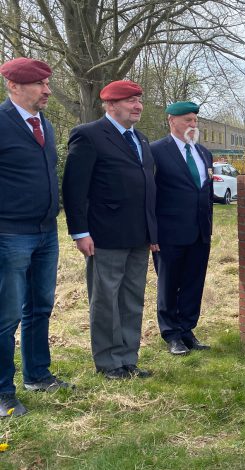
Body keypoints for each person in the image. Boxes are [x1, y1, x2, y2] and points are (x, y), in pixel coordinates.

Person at [62, 80, 158, 380]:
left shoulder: (141, 139)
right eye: (131, 101)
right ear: (111, 104)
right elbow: (74, 188)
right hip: (104, 235)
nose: (138, 106)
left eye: (139, 100)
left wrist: (153, 233)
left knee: (132, 299)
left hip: (138, 235)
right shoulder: (89, 135)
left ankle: (128, 359)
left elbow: (147, 187)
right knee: (106, 301)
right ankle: (108, 362)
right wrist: (80, 232)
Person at [0, 58, 73, 417]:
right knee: (6, 316)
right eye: (39, 84)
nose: (47, 90)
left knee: (40, 307)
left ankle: (38, 375)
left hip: (46, 232)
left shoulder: (44, 123)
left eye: (47, 83)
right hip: (10, 234)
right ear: (13, 86)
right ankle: (3, 393)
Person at [151, 101, 214, 356]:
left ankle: (187, 329)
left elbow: (206, 192)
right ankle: (171, 334)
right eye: (188, 120)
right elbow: (149, 194)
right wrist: (151, 232)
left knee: (193, 283)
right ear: (171, 120)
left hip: (200, 231)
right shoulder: (155, 151)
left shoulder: (204, 153)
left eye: (195, 120)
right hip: (169, 233)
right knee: (169, 284)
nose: (193, 124)